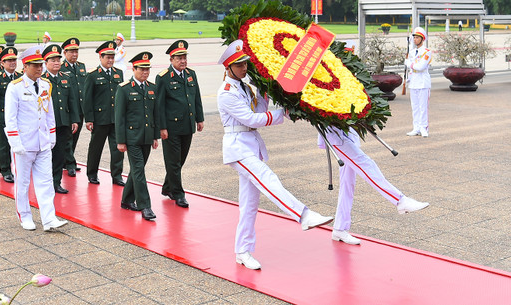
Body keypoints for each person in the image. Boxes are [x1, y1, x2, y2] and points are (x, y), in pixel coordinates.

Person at [217, 39, 333, 271]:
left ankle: (243, 250)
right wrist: (281, 114)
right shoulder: (226, 92)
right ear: (227, 67)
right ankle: (303, 215)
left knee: (249, 204)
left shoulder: (244, 86)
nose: (244, 68)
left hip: (251, 145)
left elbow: (259, 110)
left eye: (245, 64)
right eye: (239, 65)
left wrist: (265, 92)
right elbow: (251, 119)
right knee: (268, 180)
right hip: (238, 147)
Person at [320, 127, 430, 244]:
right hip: (335, 134)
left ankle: (340, 228)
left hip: (348, 133)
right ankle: (400, 200)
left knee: (348, 183)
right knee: (366, 163)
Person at [4, 45, 67, 232]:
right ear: (25, 66)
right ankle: (24, 215)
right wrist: (15, 143)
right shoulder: (15, 87)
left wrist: (52, 135)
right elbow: (10, 118)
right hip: (24, 142)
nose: (39, 68)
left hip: (42, 141)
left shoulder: (46, 85)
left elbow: (49, 113)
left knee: (46, 181)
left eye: (41, 65)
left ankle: (48, 218)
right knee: (22, 182)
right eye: (35, 65)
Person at [156, 40, 204, 208]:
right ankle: (178, 194)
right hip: (171, 128)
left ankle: (168, 187)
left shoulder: (191, 74)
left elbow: (196, 97)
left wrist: (200, 118)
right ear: (171, 59)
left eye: (184, 57)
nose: (183, 61)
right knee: (174, 162)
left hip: (187, 125)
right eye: (179, 58)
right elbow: (159, 105)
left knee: (180, 160)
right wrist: (161, 127)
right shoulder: (163, 78)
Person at [116, 52, 160, 221]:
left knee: (137, 171)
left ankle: (127, 200)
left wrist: (155, 136)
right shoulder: (124, 89)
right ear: (133, 69)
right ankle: (145, 206)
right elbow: (119, 117)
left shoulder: (151, 87)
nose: (145, 72)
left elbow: (154, 114)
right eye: (142, 69)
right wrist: (120, 141)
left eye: (147, 69)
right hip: (132, 137)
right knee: (139, 170)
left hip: (147, 137)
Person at [83, 40, 125, 186]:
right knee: (96, 148)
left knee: (117, 149)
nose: (110, 60)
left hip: (115, 119)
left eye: (112, 57)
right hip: (100, 119)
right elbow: (87, 99)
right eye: (107, 57)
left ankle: (117, 175)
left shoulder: (118, 73)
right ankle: (92, 173)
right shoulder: (93, 75)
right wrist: (89, 119)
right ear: (100, 58)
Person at [41, 44, 79, 194]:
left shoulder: (66, 77)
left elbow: (72, 100)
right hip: (46, 124)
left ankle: (56, 182)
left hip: (63, 122)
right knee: (45, 155)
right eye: (53, 60)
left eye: (58, 60)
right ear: (46, 63)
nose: (56, 63)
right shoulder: (42, 80)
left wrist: (74, 119)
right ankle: (45, 181)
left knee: (59, 154)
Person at [0, 46, 20, 183]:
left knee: (19, 144)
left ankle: (19, 168)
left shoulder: (20, 77)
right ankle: (5, 170)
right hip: (2, 117)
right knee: (3, 145)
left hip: (18, 118)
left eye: (14, 60)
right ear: (2, 63)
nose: (12, 63)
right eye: (9, 61)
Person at [61, 37, 87, 176]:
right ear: (65, 53)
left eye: (76, 51)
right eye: (71, 52)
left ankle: (67, 160)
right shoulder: (62, 68)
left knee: (75, 137)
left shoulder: (81, 66)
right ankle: (70, 163)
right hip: (69, 109)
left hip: (80, 107)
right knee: (68, 137)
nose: (75, 54)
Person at [406, 27, 432, 137]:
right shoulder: (411, 52)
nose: (415, 40)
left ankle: (423, 127)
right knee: (415, 107)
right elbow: (411, 68)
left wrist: (409, 64)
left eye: (417, 37)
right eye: (414, 37)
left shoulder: (427, 52)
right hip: (413, 82)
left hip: (423, 82)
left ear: (422, 39)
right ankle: (416, 127)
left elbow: (420, 66)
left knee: (423, 107)